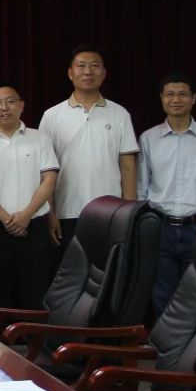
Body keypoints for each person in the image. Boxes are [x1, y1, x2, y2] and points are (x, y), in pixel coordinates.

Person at [138, 72, 196, 313]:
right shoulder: (148, 138)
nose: (176, 99)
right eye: (170, 94)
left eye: (182, 94)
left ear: (194, 99)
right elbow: (141, 188)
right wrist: (140, 226)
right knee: (162, 292)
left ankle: (195, 338)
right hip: (160, 227)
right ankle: (163, 337)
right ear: (161, 98)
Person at [39, 44, 138, 264]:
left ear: (104, 73)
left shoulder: (119, 114)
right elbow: (46, 171)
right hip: (67, 211)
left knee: (108, 273)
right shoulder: (52, 116)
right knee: (70, 274)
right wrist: (50, 212)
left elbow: (128, 165)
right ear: (70, 73)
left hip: (111, 213)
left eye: (94, 66)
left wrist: (129, 212)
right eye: (81, 66)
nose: (88, 71)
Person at [0, 84, 59, 309]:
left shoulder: (40, 138)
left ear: (21, 106)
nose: (4, 107)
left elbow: (49, 180)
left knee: (35, 292)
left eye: (10, 101)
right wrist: (7, 219)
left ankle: (33, 334)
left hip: (34, 227)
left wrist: (25, 216)